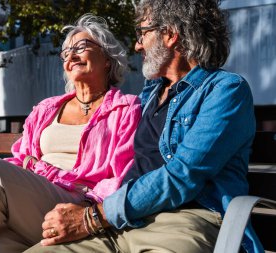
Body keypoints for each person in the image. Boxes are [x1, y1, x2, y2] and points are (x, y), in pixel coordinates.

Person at [25, 0, 263, 253]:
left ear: (170, 34)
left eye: (142, 33)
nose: (138, 45)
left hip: (183, 221)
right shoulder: (148, 96)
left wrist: (94, 217)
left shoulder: (225, 90)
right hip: (123, 222)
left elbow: (182, 176)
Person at [0, 14, 141, 253]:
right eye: (66, 52)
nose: (72, 55)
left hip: (78, 207)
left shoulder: (127, 109)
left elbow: (124, 174)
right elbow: (21, 157)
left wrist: (88, 210)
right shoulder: (46, 109)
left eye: (82, 47)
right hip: (31, 206)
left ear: (107, 58)